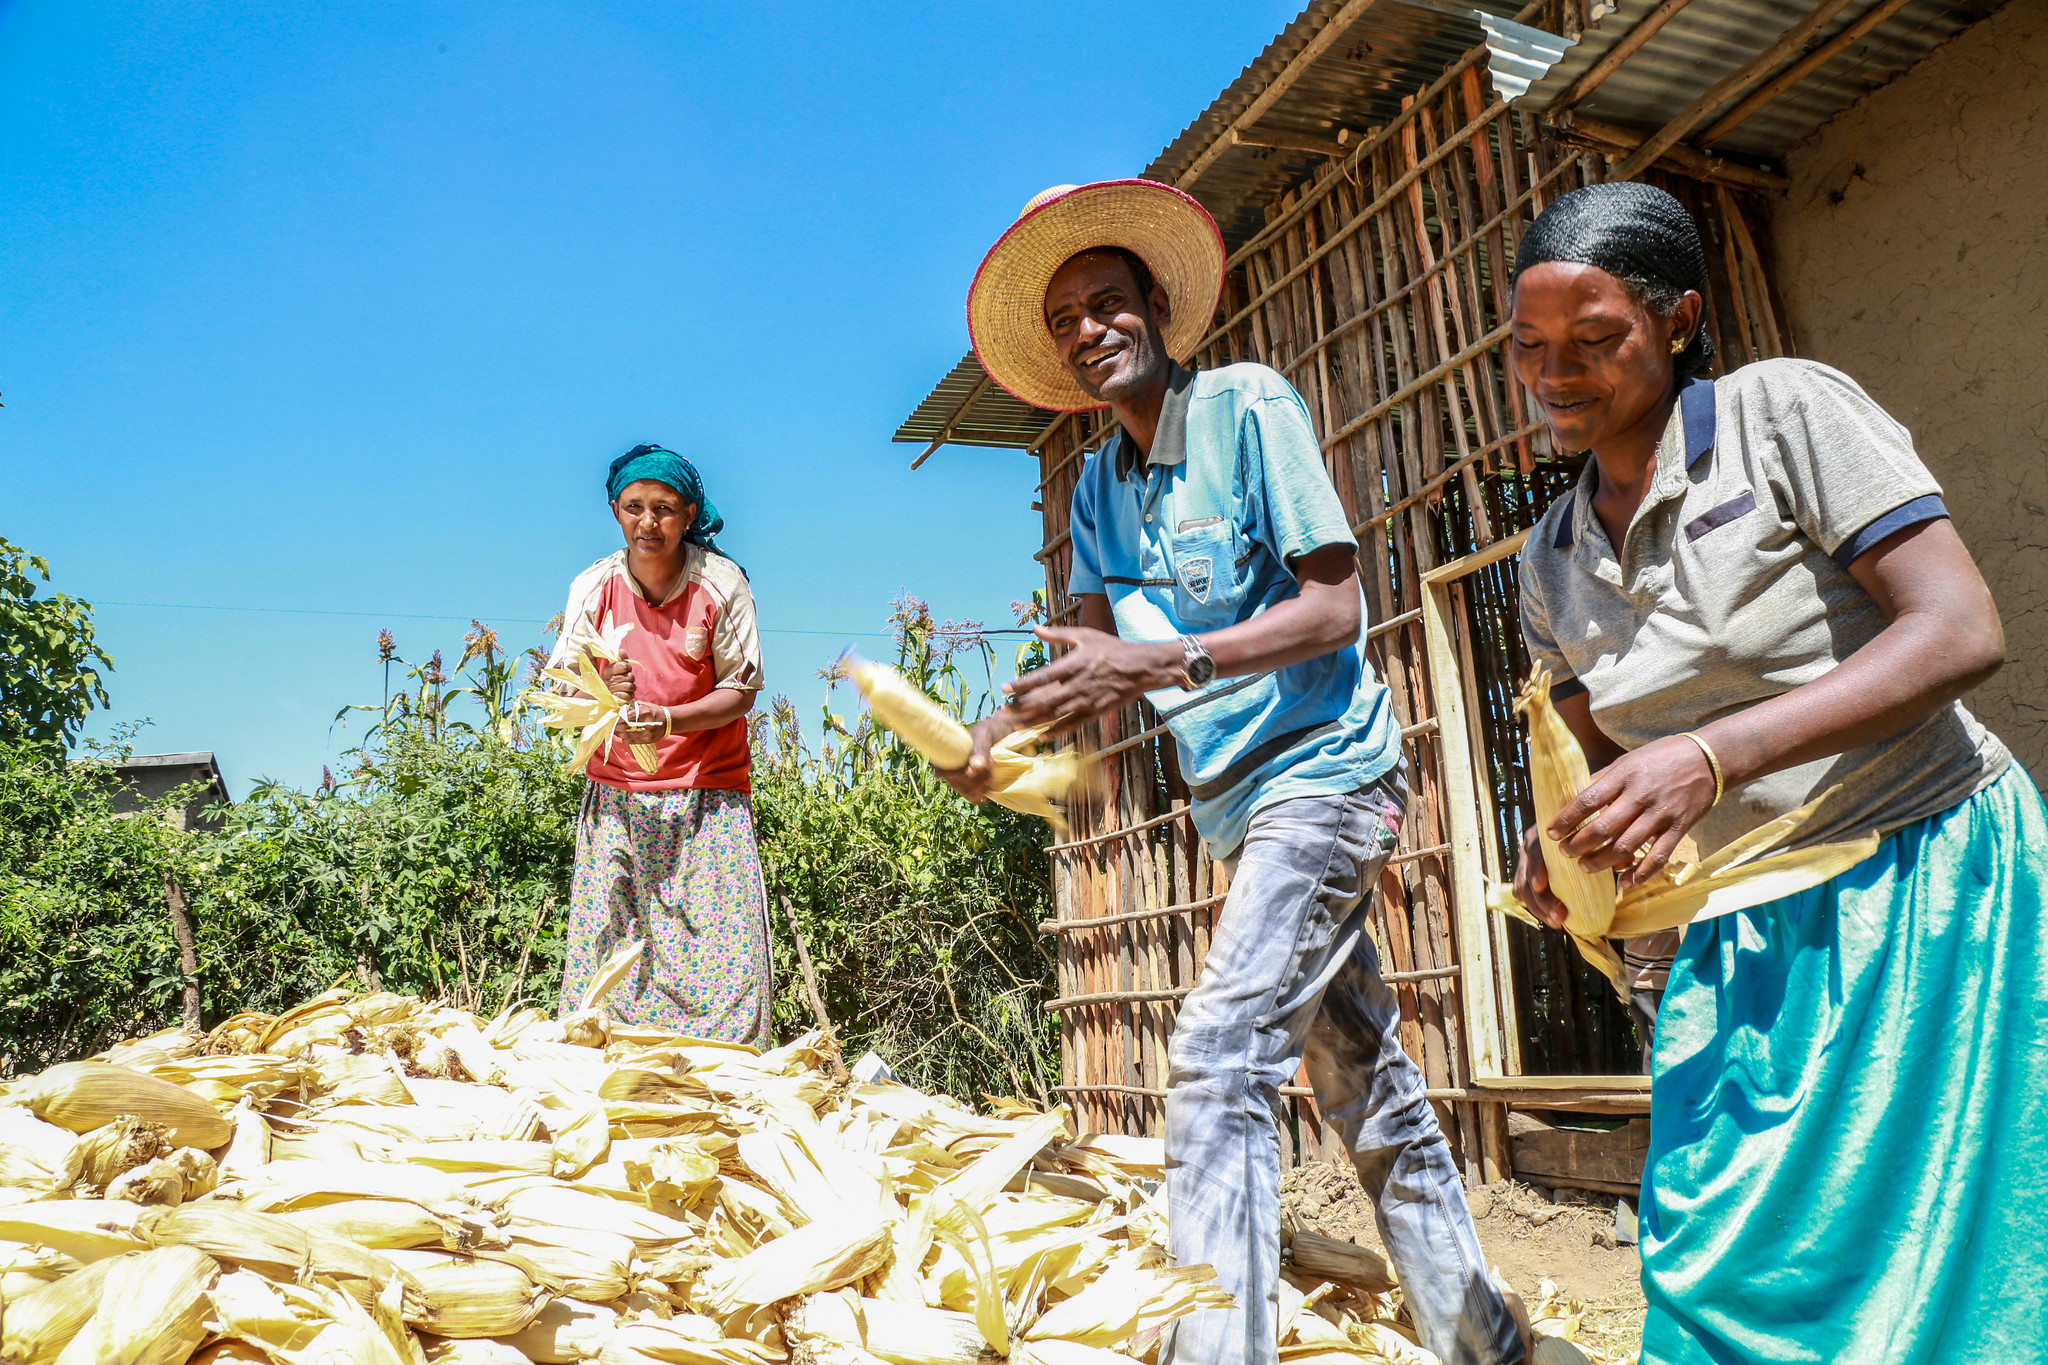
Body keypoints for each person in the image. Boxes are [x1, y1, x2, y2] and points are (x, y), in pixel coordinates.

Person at [941, 180, 1526, 1365]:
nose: (1087, 329)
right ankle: (1485, 1341)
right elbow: (1081, 653)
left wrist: (1165, 656)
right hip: (1235, 811)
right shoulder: (1096, 485)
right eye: (1065, 321)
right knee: (1368, 1088)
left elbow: (1330, 607)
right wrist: (1000, 733)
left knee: (1217, 1058)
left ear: (1157, 306)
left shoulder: (1246, 407)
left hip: (1323, 776)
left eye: (1106, 302)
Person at [1505, 182, 2048, 1364]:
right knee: (1720, 1246)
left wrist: (1711, 756)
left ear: (1678, 320)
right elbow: (1591, 762)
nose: (1558, 373)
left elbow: (1957, 630)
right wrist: (1560, 846)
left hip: (1915, 879)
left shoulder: (1779, 415)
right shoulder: (1547, 561)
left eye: (1596, 341)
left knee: (1934, 1246)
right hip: (1738, 929)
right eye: (1531, 346)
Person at [547, 443, 773, 1044]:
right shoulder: (593, 588)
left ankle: (722, 1078)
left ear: (690, 513)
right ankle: (611, 1074)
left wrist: (668, 720)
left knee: (720, 954)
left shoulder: (720, 585)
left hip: (707, 794)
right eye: (636, 507)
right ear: (616, 511)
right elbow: (562, 683)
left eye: (666, 509)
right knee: (614, 956)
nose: (650, 523)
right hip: (618, 796)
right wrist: (600, 681)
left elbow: (742, 690)